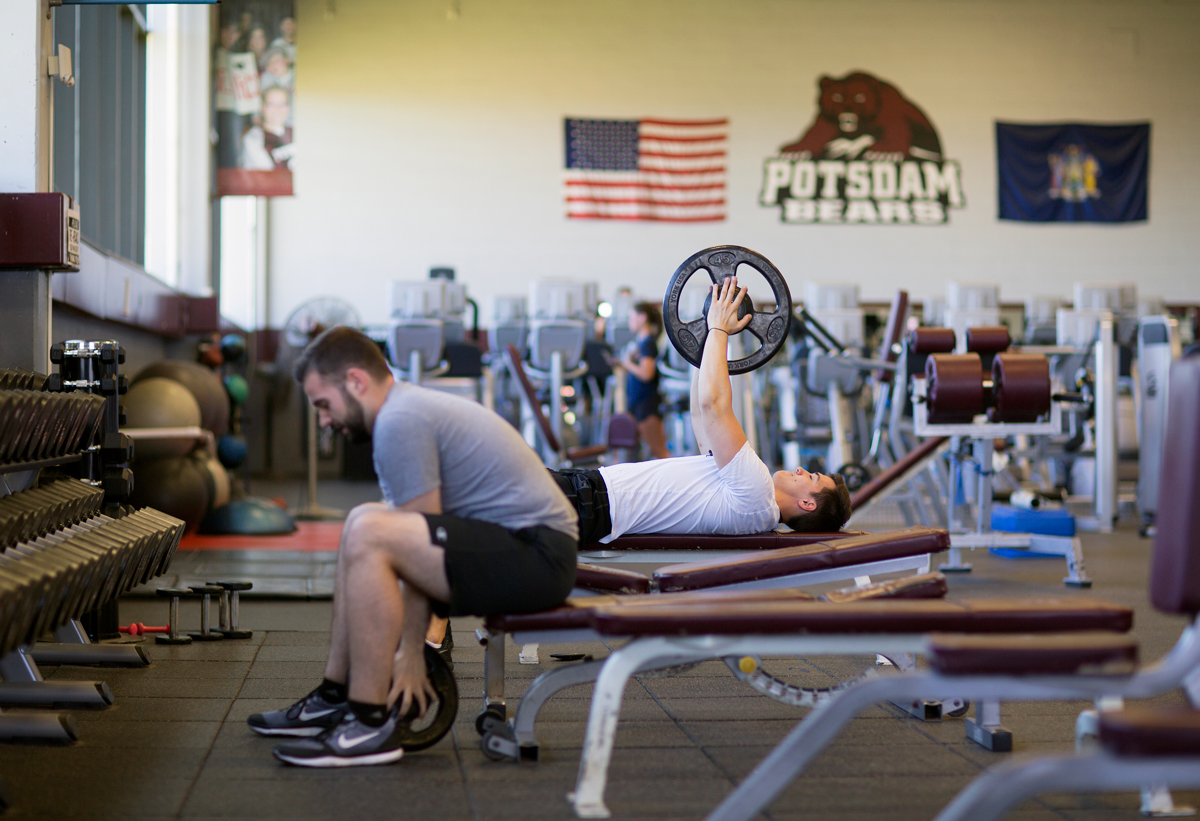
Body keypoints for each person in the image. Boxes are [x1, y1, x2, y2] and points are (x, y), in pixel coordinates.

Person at [248, 327, 578, 767]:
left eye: (323, 405)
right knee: (362, 520)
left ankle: (368, 723)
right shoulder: (403, 412)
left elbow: (415, 542)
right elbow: (420, 540)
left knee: (372, 531)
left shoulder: (401, 421)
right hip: (518, 548)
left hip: (538, 557)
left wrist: (411, 654)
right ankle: (335, 696)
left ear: (356, 382)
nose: (324, 420)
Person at [555, 277, 852, 546]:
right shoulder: (749, 498)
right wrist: (707, 338)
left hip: (594, 504)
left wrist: (719, 328)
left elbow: (714, 406)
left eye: (811, 478)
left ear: (807, 504)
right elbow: (700, 413)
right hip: (592, 494)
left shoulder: (757, 495)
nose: (801, 469)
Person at [621, 301, 670, 459]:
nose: (629, 321)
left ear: (642, 318)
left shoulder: (648, 343)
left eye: (631, 317)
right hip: (638, 404)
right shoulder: (641, 343)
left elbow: (646, 374)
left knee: (659, 452)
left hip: (646, 405)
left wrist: (628, 364)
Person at [241, 86, 293, 170]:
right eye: (271, 104)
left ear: (288, 108)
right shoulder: (253, 139)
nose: (277, 109)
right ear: (262, 107)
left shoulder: (295, 132)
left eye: (282, 104)